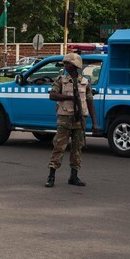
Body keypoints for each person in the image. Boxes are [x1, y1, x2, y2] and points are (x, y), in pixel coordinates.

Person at [45, 53, 98, 187]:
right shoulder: (61, 80)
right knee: (59, 146)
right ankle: (51, 176)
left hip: (80, 119)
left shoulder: (85, 82)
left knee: (77, 148)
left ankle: (74, 176)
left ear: (75, 65)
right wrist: (68, 98)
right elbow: (52, 95)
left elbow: (90, 102)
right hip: (65, 118)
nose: (65, 66)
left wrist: (95, 122)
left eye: (68, 63)